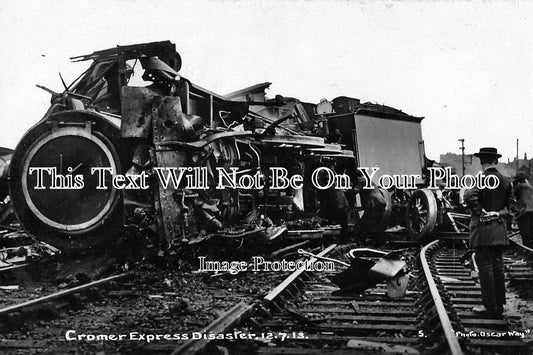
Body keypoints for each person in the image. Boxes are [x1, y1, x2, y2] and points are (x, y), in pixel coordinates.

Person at [464, 147, 516, 316]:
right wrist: (498, 213)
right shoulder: (506, 181)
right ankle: (499, 305)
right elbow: (512, 208)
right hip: (499, 232)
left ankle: (489, 306)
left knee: (485, 268)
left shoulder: (481, 179)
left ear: (481, 162)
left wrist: (481, 212)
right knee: (498, 267)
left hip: (483, 232)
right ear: (496, 161)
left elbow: (469, 196)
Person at [513, 171, 533, 248]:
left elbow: (513, 195)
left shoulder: (519, 187)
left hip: (523, 211)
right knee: (531, 232)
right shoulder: (530, 187)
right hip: (531, 210)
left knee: (525, 233)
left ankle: (527, 248)